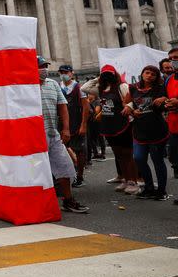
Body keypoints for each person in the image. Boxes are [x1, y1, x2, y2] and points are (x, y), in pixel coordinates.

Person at [38, 57, 88, 213]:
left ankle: (68, 200)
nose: (44, 69)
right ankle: (41, 204)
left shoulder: (52, 84)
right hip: (34, 136)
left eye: (45, 66)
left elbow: (62, 108)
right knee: (38, 172)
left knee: (64, 166)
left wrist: (65, 129)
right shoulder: (25, 87)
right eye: (41, 66)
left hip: (53, 134)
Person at [83, 65, 139, 195]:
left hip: (123, 124)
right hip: (109, 125)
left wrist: (129, 106)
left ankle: (133, 181)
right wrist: (98, 78)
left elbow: (132, 99)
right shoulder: (101, 89)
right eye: (104, 74)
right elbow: (84, 88)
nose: (107, 76)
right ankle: (125, 179)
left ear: (115, 75)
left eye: (110, 73)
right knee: (118, 155)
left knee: (127, 154)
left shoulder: (121, 87)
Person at [126, 65, 169, 200]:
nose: (149, 75)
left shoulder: (160, 88)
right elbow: (127, 103)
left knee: (157, 161)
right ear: (142, 73)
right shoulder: (133, 88)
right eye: (147, 72)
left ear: (156, 77)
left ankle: (161, 191)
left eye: (153, 74)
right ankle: (149, 188)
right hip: (139, 131)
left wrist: (164, 99)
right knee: (138, 158)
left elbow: (168, 101)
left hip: (157, 131)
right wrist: (132, 111)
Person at [58, 65, 89, 187]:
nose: (64, 74)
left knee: (80, 151)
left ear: (72, 73)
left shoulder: (78, 87)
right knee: (62, 150)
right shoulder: (58, 86)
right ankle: (69, 173)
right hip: (62, 123)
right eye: (61, 72)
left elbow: (85, 107)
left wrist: (83, 125)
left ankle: (80, 176)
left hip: (76, 122)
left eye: (66, 72)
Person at [165, 47, 178, 185]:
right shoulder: (169, 80)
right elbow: (166, 98)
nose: (173, 61)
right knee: (175, 161)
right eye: (171, 59)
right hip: (174, 128)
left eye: (176, 58)